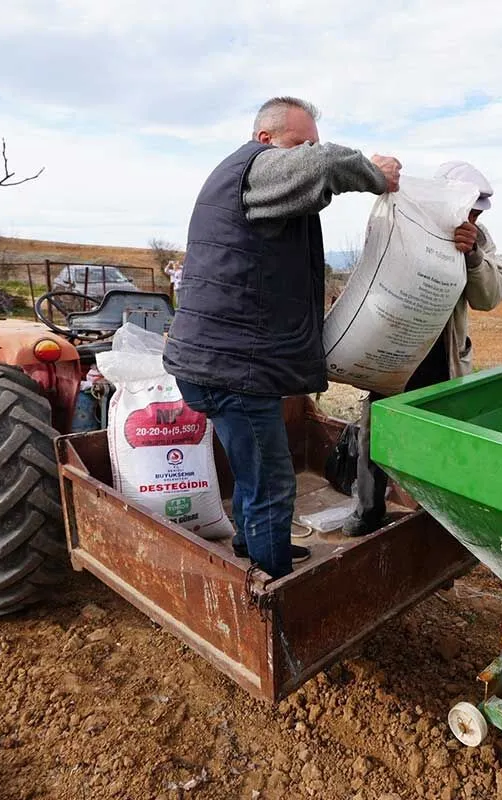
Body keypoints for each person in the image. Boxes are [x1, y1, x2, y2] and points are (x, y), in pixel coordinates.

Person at [162, 96, 401, 579]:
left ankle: (254, 544)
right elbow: (328, 162)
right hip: (235, 369)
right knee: (273, 483)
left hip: (219, 363)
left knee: (252, 472)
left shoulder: (246, 182)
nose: (304, 153)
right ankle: (273, 585)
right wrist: (377, 174)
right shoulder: (258, 167)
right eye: (298, 143)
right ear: (265, 139)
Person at [343, 161, 502, 537]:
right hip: (397, 352)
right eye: (468, 208)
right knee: (376, 429)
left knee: (437, 441)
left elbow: (490, 297)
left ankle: (433, 520)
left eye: (476, 212)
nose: (471, 216)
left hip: (444, 360)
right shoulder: (410, 221)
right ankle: (368, 511)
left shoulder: (477, 240)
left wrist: (473, 257)